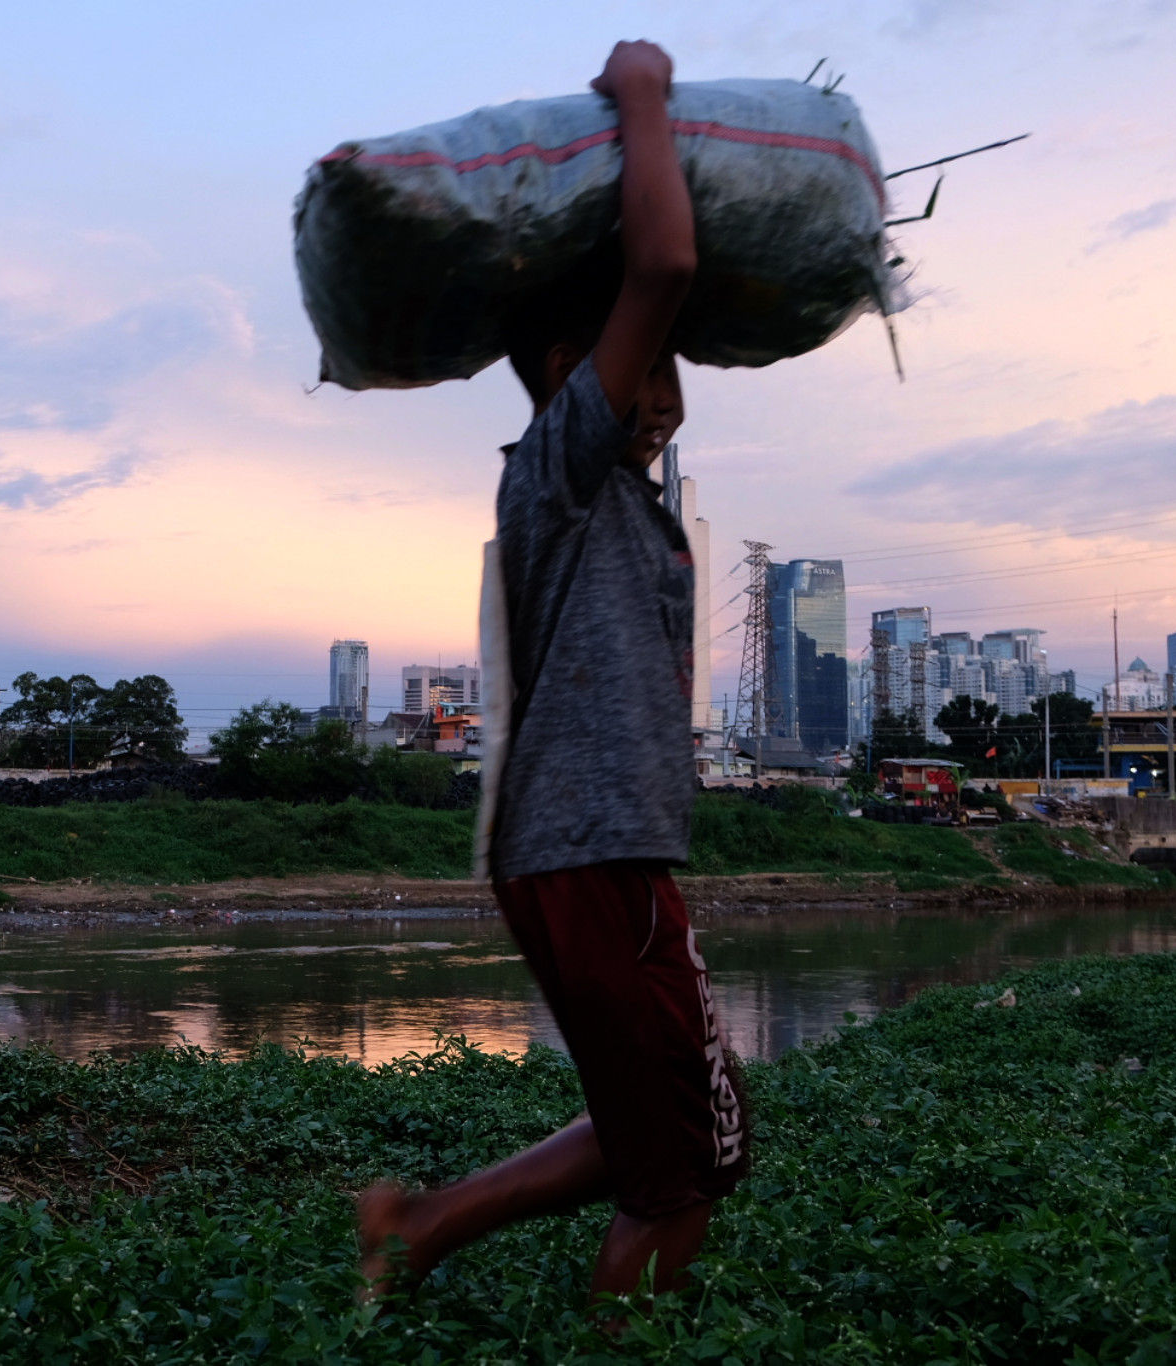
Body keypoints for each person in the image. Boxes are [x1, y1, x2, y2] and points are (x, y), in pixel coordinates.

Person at [357, 38, 748, 1314]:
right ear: (569, 363)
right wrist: (642, 97)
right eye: (643, 347)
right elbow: (666, 259)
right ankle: (611, 1332)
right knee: (683, 1172)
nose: (664, 367)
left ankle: (417, 1228)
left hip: (583, 857)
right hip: (593, 856)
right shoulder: (564, 459)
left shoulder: (598, 489)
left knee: (674, 1123)